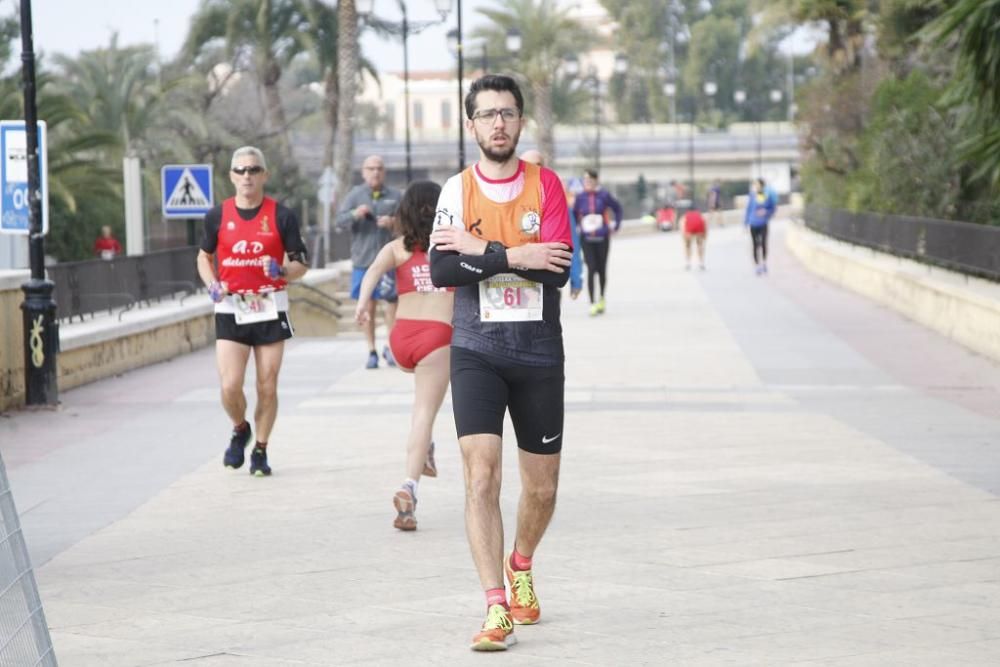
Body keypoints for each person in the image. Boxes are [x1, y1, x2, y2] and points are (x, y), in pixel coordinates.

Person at [428, 74, 572, 652]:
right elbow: (441, 272)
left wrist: (480, 253)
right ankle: (495, 608)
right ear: (471, 126)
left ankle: (522, 562)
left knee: (541, 490)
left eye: (507, 114)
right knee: (480, 477)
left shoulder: (547, 186)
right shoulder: (455, 192)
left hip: (538, 352)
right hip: (476, 351)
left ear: (520, 121)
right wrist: (516, 254)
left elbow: (556, 269)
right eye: (487, 115)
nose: (498, 124)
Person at [196, 146, 308, 477]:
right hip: (231, 307)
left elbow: (301, 262)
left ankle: (260, 449)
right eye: (241, 170)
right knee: (230, 385)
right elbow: (203, 256)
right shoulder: (217, 216)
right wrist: (211, 284)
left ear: (264, 175)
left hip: (270, 306)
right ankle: (240, 427)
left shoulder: (282, 215)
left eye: (254, 170)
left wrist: (282, 270)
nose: (247, 176)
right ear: (231, 176)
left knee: (267, 385)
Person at [354, 181, 453, 531]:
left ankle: (424, 445)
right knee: (424, 412)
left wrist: (363, 303)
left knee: (423, 403)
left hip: (401, 339)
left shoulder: (397, 248)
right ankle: (408, 487)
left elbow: (371, 273)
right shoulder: (453, 247)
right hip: (437, 337)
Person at [336, 155, 401, 369]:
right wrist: (356, 213)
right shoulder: (355, 195)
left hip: (389, 261)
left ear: (385, 172)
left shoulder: (395, 196)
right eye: (371, 168)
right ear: (363, 172)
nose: (375, 172)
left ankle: (390, 348)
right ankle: (371, 350)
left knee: (391, 305)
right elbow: (339, 221)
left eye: (379, 168)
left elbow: (408, 224)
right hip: (363, 261)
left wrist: (393, 223)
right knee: (368, 306)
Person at [521, 151, 582, 299]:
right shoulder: (507, 198)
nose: (533, 170)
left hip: (547, 281)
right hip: (513, 281)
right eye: (527, 166)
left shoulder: (557, 202)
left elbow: (570, 243)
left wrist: (576, 280)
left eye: (538, 165)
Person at [572, 168, 622, 316]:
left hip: (602, 237)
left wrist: (616, 225)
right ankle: (592, 303)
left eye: (589, 180)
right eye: (585, 180)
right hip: (586, 238)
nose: (587, 183)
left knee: (601, 270)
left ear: (596, 180)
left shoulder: (604, 195)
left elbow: (618, 209)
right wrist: (578, 226)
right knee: (591, 268)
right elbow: (574, 214)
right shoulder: (580, 197)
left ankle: (602, 298)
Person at [744, 177, 777, 275]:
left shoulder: (767, 195)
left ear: (762, 186)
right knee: (755, 244)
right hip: (753, 223)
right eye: (755, 185)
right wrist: (745, 223)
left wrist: (766, 212)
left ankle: (764, 263)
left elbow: (773, 208)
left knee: (763, 243)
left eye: (757, 184)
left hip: (763, 223)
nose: (756, 186)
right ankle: (757, 265)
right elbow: (748, 209)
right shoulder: (752, 196)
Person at [682, 206, 708, 270]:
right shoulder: (699, 214)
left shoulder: (686, 215)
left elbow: (682, 224)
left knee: (688, 246)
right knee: (700, 245)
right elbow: (704, 223)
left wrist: (683, 236)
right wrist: (705, 235)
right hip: (699, 230)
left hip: (689, 231)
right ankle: (701, 263)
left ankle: (688, 263)